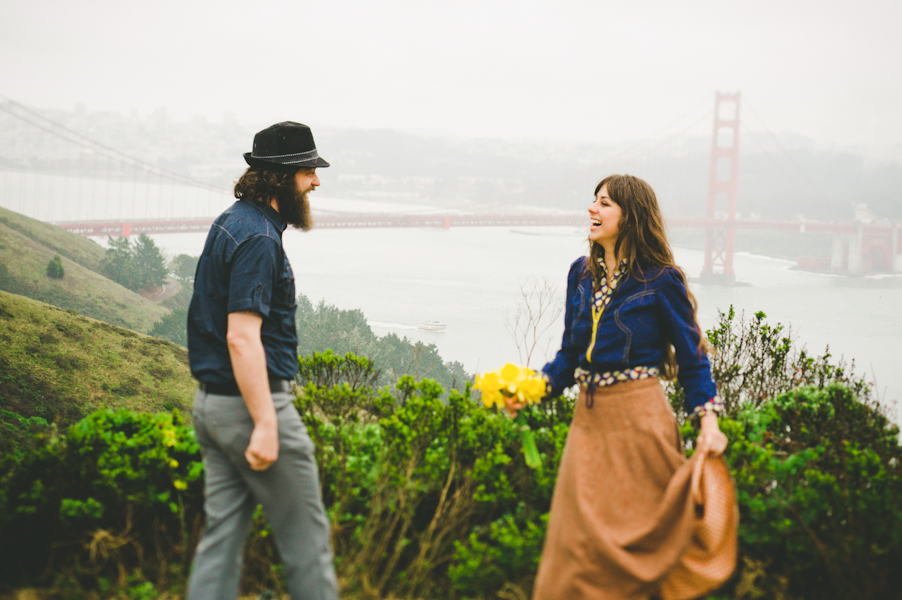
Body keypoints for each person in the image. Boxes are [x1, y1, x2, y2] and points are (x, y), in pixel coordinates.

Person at [520, 174, 736, 600]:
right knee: (574, 549)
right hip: (589, 426)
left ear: (630, 216)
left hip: (641, 425)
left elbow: (693, 359)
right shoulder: (580, 275)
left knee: (641, 547)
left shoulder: (661, 279)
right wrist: (529, 391)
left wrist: (708, 422)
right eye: (593, 201)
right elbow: (569, 356)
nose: (592, 210)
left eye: (604, 203)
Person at [186, 122, 339, 600]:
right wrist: (266, 422)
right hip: (252, 406)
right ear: (281, 177)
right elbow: (242, 339)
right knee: (308, 543)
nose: (316, 181)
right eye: (309, 171)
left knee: (221, 543)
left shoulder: (232, 222)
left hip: (212, 407)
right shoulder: (259, 240)